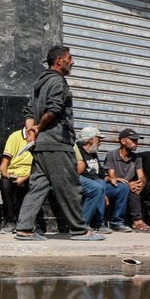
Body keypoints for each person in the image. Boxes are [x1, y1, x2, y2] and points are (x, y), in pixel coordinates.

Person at [13, 45, 103, 241]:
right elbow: (53, 110)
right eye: (70, 58)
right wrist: (38, 128)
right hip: (56, 142)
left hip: (41, 145)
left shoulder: (39, 83)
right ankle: (80, 230)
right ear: (59, 61)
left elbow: (29, 112)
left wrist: (31, 131)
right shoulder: (58, 82)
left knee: (38, 186)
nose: (73, 62)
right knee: (69, 186)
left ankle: (24, 228)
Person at [0, 127, 33, 232]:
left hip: (31, 173)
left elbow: (40, 166)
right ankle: (10, 220)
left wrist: (24, 178)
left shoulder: (39, 138)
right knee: (5, 185)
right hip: (13, 173)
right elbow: (4, 164)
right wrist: (7, 175)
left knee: (35, 184)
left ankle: (31, 221)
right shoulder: (14, 137)